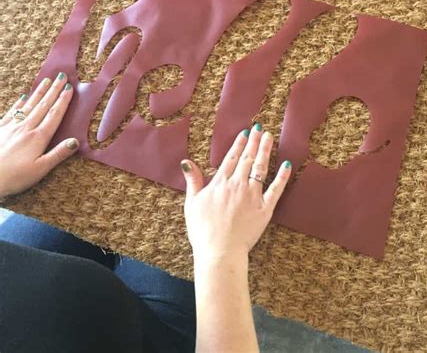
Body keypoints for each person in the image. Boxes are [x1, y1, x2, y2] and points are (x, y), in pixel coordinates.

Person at [0, 72, 292, 353]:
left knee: (95, 177)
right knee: (180, 200)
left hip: (27, 267)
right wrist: (221, 253)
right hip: (152, 334)